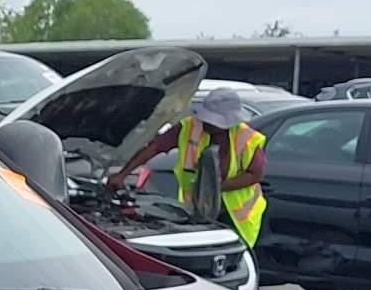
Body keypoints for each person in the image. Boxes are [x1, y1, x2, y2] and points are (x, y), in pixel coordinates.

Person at [109, 85, 268, 247]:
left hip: (238, 219)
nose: (206, 123)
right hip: (196, 211)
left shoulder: (247, 138)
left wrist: (216, 187)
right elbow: (154, 147)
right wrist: (123, 174)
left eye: (213, 121)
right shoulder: (188, 127)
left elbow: (255, 174)